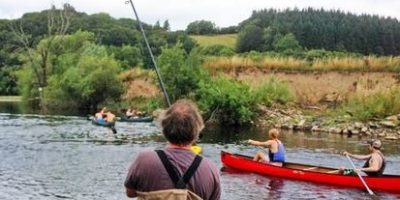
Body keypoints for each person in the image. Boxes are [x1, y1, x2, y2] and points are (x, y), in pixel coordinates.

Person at [124, 99, 221, 200]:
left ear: (164, 129)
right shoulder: (210, 169)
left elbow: (130, 193)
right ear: (196, 132)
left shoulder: (144, 160)